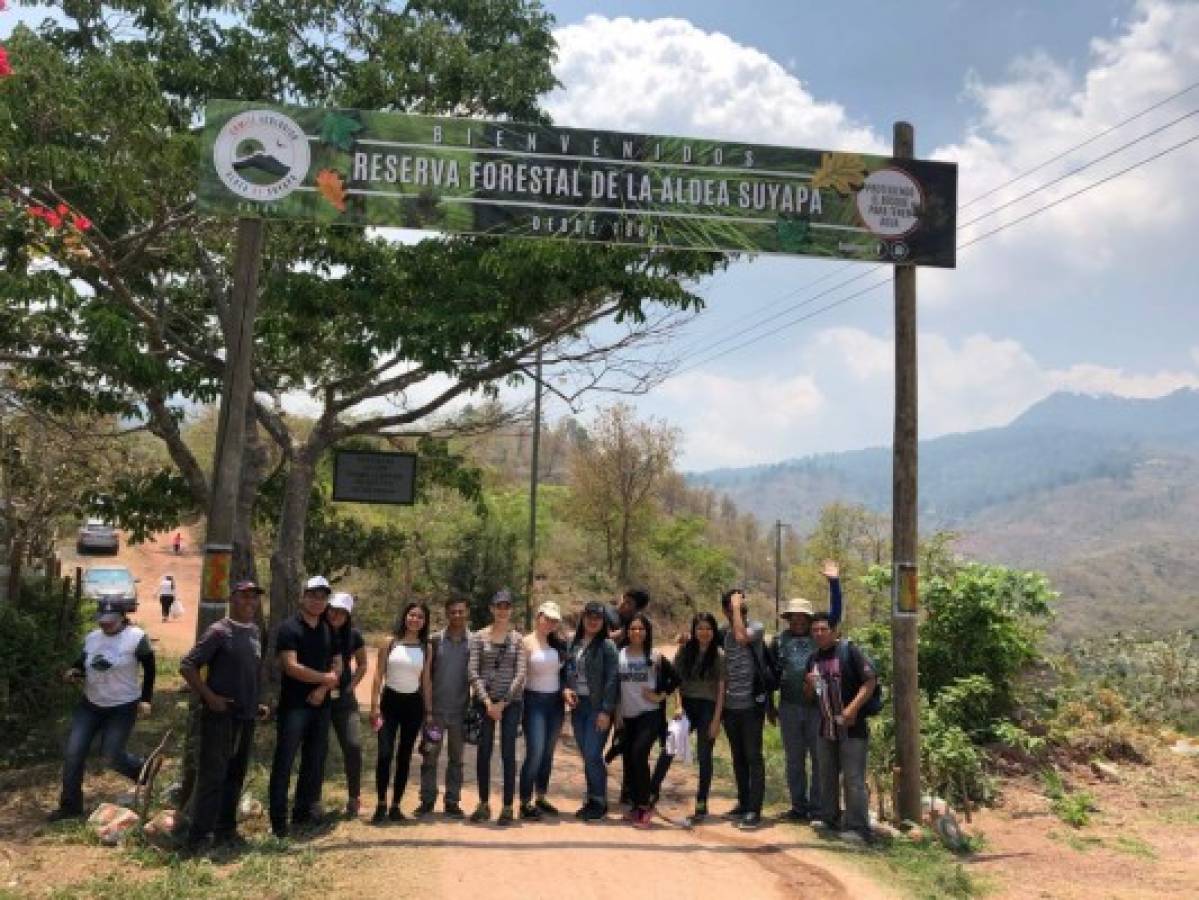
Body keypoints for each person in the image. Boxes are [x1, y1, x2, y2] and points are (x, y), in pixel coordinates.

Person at [178, 580, 269, 850]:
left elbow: (250, 670)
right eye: (244, 597)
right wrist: (209, 697)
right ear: (232, 599)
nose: (250, 602)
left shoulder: (254, 631)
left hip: (247, 715)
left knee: (236, 773)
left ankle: (226, 830)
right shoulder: (219, 631)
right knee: (213, 774)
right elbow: (188, 665)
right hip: (221, 715)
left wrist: (258, 702)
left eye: (254, 598)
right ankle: (199, 836)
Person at [50, 597, 155, 821]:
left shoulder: (136, 638)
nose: (105, 624)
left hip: (123, 705)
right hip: (91, 704)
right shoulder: (92, 638)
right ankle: (70, 806)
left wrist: (146, 699)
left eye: (111, 620)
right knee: (73, 753)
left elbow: (150, 668)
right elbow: (83, 664)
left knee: (111, 754)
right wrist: (74, 671)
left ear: (122, 618)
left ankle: (143, 771)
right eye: (102, 620)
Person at [771, 560, 843, 821]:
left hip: (817, 708)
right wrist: (769, 705)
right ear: (789, 619)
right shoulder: (780, 640)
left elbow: (835, 615)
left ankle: (816, 807)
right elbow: (771, 674)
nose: (799, 621)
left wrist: (834, 583)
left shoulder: (819, 636)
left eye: (804, 617)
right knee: (794, 760)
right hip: (789, 707)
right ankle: (798, 807)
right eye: (795, 617)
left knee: (819, 759)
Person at [268, 575, 339, 838]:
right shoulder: (289, 628)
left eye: (323, 597)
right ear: (303, 597)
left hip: (321, 706)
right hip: (294, 706)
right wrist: (324, 679)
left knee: (314, 760)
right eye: (313, 595)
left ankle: (301, 814)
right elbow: (291, 666)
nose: (318, 601)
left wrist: (322, 689)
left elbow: (337, 663)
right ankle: (278, 823)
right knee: (284, 762)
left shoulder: (328, 628)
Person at [804, 612, 878, 844]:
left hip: (852, 728)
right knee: (826, 775)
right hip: (825, 727)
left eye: (823, 629)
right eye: (814, 630)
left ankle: (859, 829)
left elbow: (870, 681)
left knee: (853, 779)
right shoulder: (812, 659)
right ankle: (830, 818)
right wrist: (807, 684)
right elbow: (809, 696)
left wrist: (851, 710)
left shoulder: (849, 651)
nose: (818, 634)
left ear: (834, 631)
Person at [649, 611, 725, 821]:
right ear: (694, 630)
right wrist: (678, 706)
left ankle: (701, 801)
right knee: (670, 746)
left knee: (704, 754)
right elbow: (677, 681)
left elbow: (721, 689)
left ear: (713, 631)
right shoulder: (685, 651)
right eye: (700, 628)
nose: (704, 632)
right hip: (687, 705)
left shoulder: (719, 655)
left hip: (708, 707)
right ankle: (652, 790)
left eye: (708, 629)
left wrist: (717, 719)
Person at [369, 600, 433, 823]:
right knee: (384, 754)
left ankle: (396, 806)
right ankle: (380, 804)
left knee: (404, 756)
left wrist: (429, 712)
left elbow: (425, 681)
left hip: (413, 706)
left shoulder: (426, 647)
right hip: (389, 703)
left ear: (425, 622)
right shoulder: (390, 642)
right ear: (405, 616)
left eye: (420, 617)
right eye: (411, 615)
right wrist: (374, 706)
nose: (415, 619)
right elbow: (378, 675)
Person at [467, 589, 526, 826]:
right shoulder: (479, 637)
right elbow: (473, 671)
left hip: (510, 703)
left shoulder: (518, 639)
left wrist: (503, 703)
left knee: (508, 754)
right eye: (498, 606)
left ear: (511, 610)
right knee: (484, 752)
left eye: (506, 606)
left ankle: (508, 806)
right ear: (491, 608)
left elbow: (521, 673)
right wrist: (488, 702)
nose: (502, 610)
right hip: (485, 703)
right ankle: (483, 803)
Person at [719, 587, 774, 830]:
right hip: (730, 707)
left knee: (753, 756)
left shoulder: (757, 628)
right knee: (738, 757)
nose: (740, 612)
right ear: (724, 611)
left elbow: (741, 637)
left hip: (752, 705)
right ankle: (743, 802)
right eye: (733, 609)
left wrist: (737, 608)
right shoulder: (722, 633)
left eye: (743, 608)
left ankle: (754, 809)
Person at [563, 600, 619, 822]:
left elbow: (612, 680)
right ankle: (591, 797)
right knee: (586, 755)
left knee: (593, 754)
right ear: (583, 618)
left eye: (597, 618)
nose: (593, 621)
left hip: (598, 707)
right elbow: (566, 672)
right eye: (589, 617)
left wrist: (606, 711)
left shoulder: (607, 646)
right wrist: (565, 689)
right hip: (579, 706)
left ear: (603, 621)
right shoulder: (574, 644)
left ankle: (599, 800)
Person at [416, 597, 471, 819]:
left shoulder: (474, 642)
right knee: (429, 757)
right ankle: (427, 800)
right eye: (452, 612)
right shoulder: (434, 641)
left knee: (456, 760)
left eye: (461, 611)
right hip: (435, 713)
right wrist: (427, 710)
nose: (457, 615)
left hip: (460, 713)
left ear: (467, 613)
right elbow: (425, 677)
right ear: (446, 614)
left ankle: (452, 802)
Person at [617, 613, 672, 829]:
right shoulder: (620, 655)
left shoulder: (655, 656)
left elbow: (675, 678)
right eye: (633, 628)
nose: (636, 632)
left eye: (641, 628)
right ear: (627, 632)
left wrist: (659, 696)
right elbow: (617, 687)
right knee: (630, 760)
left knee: (639, 754)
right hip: (628, 717)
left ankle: (644, 806)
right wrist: (617, 714)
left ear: (647, 632)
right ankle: (637, 805)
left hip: (650, 715)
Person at [518, 601, 567, 820]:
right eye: (546, 618)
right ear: (538, 616)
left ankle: (541, 796)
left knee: (547, 753)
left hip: (555, 702)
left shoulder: (559, 644)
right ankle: (525, 801)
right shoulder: (525, 642)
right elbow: (519, 676)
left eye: (554, 620)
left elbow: (565, 673)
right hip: (533, 701)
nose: (550, 623)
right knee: (535, 751)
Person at [321, 592, 369, 818]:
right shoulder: (317, 631)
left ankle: (354, 797)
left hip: (344, 702)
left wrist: (353, 685)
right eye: (332, 609)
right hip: (318, 700)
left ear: (348, 614)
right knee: (317, 750)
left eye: (341, 611)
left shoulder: (354, 636)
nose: (335, 614)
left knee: (353, 745)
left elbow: (362, 663)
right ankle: (312, 800)